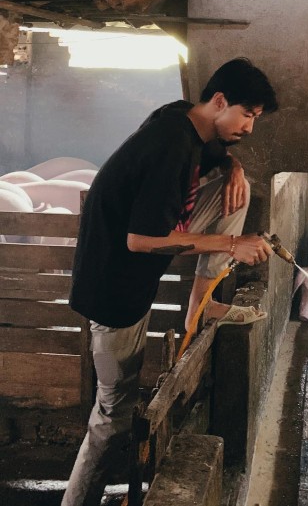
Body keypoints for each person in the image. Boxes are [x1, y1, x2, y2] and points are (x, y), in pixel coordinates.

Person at [62, 57, 278, 506]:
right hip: (114, 292)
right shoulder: (170, 146)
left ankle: (201, 304)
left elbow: (221, 157)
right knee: (113, 417)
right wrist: (229, 244)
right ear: (220, 101)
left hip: (130, 280)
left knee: (234, 193)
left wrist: (234, 165)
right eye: (247, 116)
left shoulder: (186, 118)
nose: (250, 128)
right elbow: (140, 241)